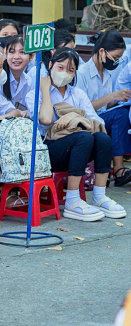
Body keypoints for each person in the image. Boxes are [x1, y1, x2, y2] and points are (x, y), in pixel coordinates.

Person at [30, 47, 125, 220]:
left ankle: (99, 195)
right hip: (48, 150)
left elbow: (99, 122)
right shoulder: (35, 94)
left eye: (70, 70)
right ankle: (73, 200)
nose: (65, 73)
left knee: (102, 139)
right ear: (50, 65)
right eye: (60, 67)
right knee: (84, 137)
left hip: (79, 148)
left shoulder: (78, 94)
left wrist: (75, 116)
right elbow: (44, 120)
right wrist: (45, 90)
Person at [75, 31, 131, 186]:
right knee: (120, 114)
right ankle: (119, 169)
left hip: (101, 117)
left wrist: (121, 98)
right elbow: (82, 108)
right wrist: (113, 96)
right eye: (115, 58)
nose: (116, 62)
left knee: (124, 111)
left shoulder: (106, 74)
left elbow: (106, 105)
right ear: (101, 52)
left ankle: (118, 169)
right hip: (85, 121)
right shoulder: (82, 73)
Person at [0, 35, 31, 116]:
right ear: (5, 54)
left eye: (22, 52)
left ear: (31, 57)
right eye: (12, 52)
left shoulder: (29, 81)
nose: (16, 57)